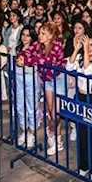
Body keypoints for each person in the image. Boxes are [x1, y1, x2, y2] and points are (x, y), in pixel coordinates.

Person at [17, 22, 65, 155]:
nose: (40, 35)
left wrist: (27, 61)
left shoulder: (56, 46)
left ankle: (53, 134)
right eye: (40, 33)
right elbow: (27, 51)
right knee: (51, 110)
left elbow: (47, 61)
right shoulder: (38, 45)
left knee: (56, 113)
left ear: (50, 35)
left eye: (43, 33)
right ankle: (55, 138)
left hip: (59, 79)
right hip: (47, 80)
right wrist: (21, 57)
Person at [65, 30, 92, 181]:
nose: (88, 48)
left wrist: (84, 52)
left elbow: (88, 72)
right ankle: (83, 166)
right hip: (80, 97)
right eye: (87, 45)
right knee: (82, 133)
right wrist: (76, 49)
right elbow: (68, 67)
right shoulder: (81, 57)